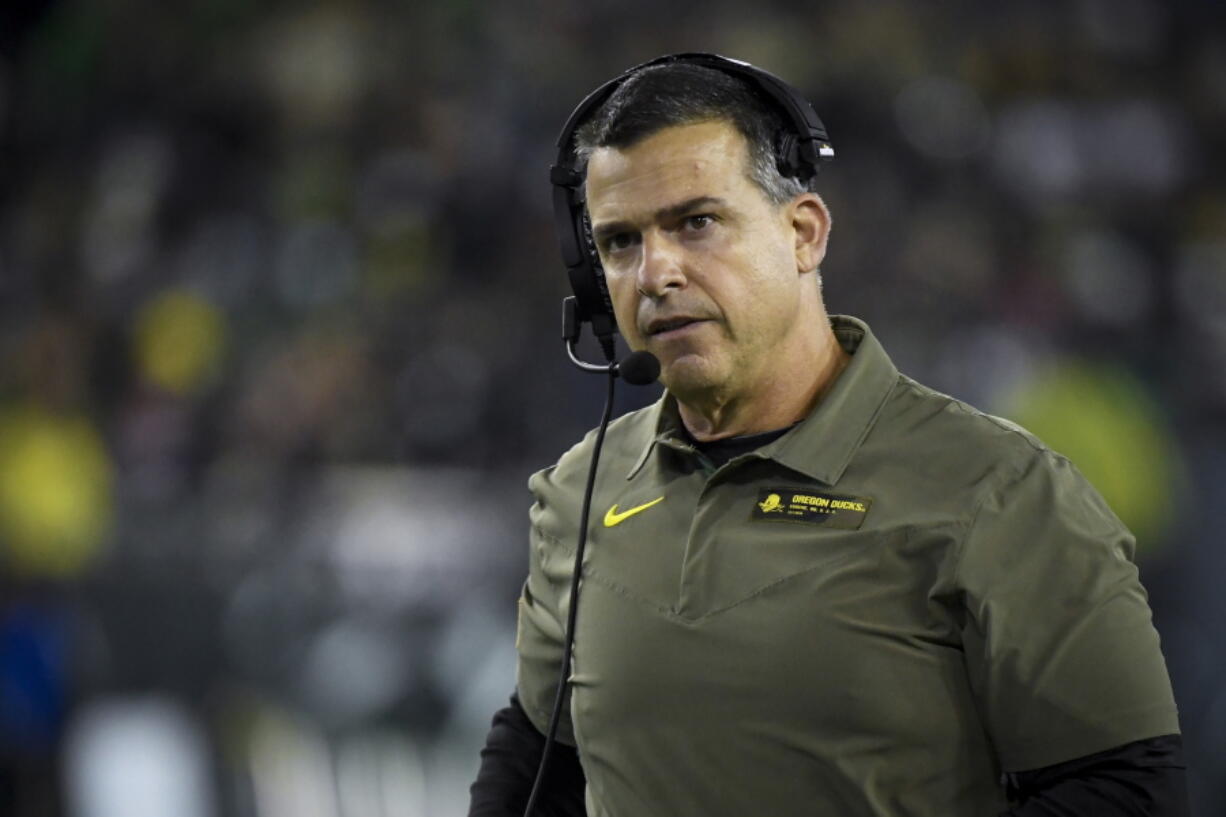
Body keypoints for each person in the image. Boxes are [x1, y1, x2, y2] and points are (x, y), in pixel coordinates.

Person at [469, 55, 1187, 817]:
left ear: (804, 232)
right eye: (619, 242)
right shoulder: (580, 490)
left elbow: (1125, 792)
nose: (655, 273)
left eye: (697, 222)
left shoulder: (1003, 493)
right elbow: (539, 753)